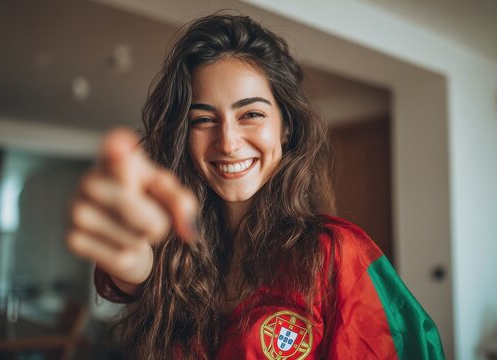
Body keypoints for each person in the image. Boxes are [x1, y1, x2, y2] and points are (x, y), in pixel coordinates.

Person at [67, 13, 445, 359]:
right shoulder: (172, 251)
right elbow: (132, 272)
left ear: (286, 126)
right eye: (203, 120)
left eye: (251, 114)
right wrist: (130, 258)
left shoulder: (336, 254)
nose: (228, 142)